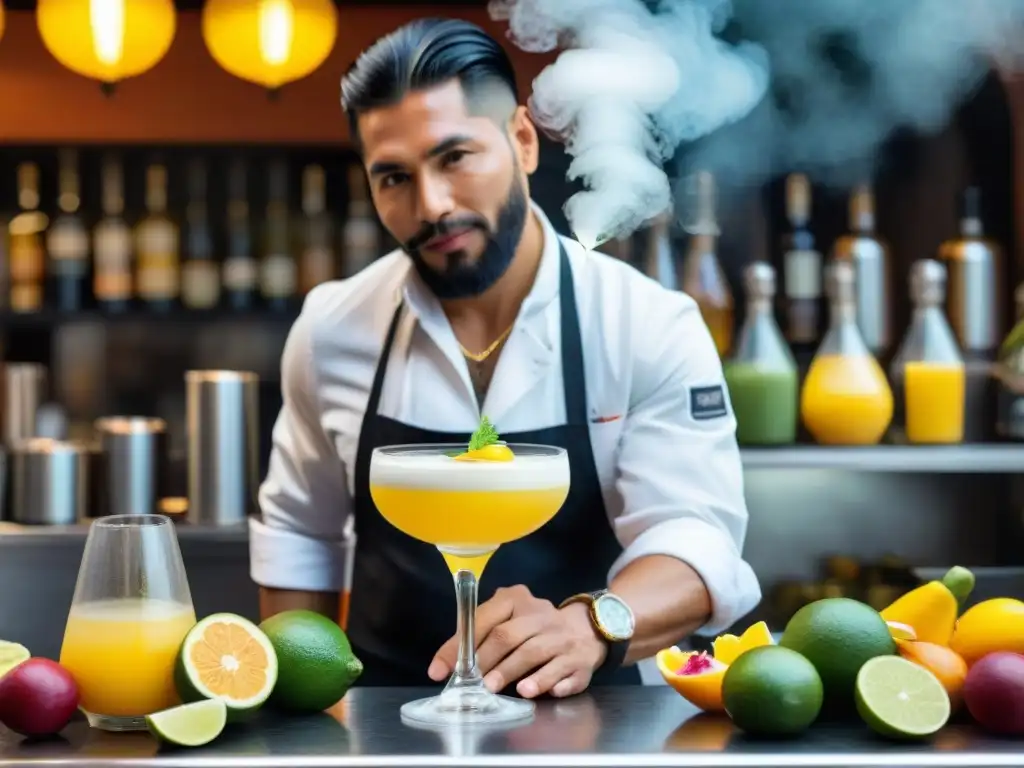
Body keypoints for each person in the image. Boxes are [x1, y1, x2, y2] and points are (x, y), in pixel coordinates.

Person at [249, 16, 761, 699]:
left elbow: (696, 541)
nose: (431, 205)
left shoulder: (647, 325)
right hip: (382, 721)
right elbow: (299, 534)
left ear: (522, 141)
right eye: (394, 177)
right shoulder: (333, 327)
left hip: (591, 728)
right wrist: (294, 712)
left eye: (455, 157)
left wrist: (593, 626)